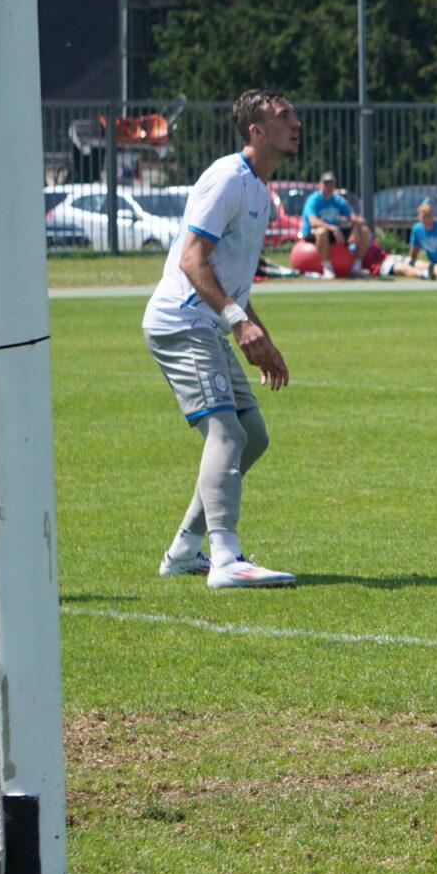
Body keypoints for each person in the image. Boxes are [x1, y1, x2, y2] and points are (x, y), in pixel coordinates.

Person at [140, 88, 299, 589]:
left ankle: (185, 550)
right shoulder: (228, 177)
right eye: (284, 117)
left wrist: (260, 334)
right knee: (226, 434)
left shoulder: (260, 190)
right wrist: (237, 321)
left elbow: (230, 278)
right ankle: (226, 558)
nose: (295, 124)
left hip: (208, 323)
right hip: (182, 321)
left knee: (252, 436)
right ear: (256, 130)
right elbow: (192, 259)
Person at [300, 173, 358, 258]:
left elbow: (353, 217)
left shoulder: (337, 200)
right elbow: (313, 222)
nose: (329, 187)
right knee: (322, 232)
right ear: (320, 185)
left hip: (334, 232)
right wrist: (332, 228)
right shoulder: (313, 200)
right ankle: (326, 264)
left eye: (332, 184)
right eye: (326, 184)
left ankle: (357, 263)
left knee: (363, 230)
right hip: (313, 232)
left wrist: (355, 230)